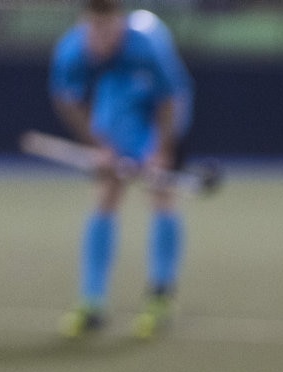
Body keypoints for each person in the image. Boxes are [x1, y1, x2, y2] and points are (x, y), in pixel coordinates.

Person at [48, 0, 194, 339]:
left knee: (161, 194)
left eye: (109, 28)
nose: (101, 37)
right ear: (85, 23)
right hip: (116, 108)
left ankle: (160, 296)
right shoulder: (72, 51)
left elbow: (172, 100)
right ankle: (92, 302)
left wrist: (161, 151)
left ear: (121, 23)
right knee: (106, 194)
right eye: (95, 28)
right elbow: (67, 100)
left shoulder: (148, 46)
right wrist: (100, 147)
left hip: (158, 113)